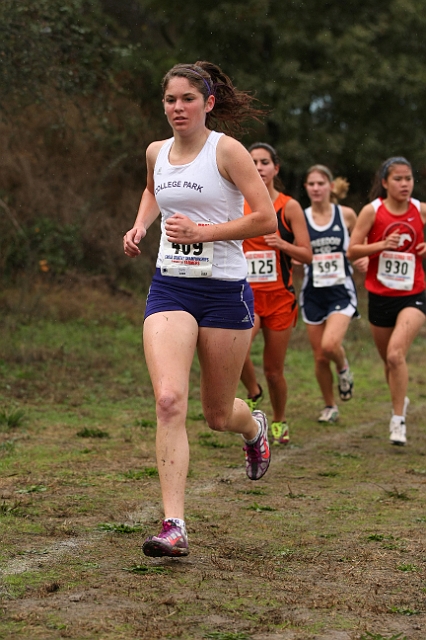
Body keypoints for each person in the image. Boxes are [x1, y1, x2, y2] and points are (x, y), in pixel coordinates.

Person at [123, 61, 277, 558]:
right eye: (170, 100)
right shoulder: (156, 151)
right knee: (169, 400)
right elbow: (153, 190)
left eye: (187, 98)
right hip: (171, 287)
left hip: (225, 289)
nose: (177, 108)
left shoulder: (226, 150)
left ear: (208, 103)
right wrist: (141, 226)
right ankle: (174, 525)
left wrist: (204, 233)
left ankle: (253, 427)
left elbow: (264, 217)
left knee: (215, 414)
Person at [347, 157, 426, 445]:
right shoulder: (373, 211)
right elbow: (352, 250)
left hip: (414, 296)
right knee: (389, 362)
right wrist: (381, 245)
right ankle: (399, 401)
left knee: (395, 355)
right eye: (398, 179)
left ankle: (398, 421)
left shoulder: (420, 210)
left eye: (409, 179)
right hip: (380, 297)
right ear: (384, 182)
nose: (405, 184)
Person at [241, 143, 312, 445]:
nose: (258, 167)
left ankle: (280, 419)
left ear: (275, 168)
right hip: (247, 296)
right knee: (238, 349)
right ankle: (253, 392)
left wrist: (283, 244)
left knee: (274, 370)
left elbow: (307, 255)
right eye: (253, 162)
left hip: (281, 299)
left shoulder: (289, 206)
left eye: (264, 162)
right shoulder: (236, 202)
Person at [300, 165, 367, 423]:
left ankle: (343, 367)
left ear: (330, 186)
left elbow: (362, 242)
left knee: (330, 346)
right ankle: (330, 406)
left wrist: (363, 260)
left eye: (320, 183)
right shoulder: (301, 217)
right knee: (319, 357)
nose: (316, 188)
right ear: (306, 188)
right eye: (311, 184)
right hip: (312, 293)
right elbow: (297, 249)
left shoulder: (346, 215)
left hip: (341, 291)